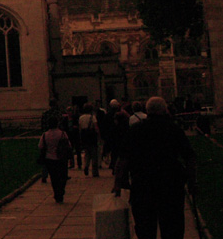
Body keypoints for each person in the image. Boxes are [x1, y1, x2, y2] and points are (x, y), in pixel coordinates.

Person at [113, 97, 197, 239]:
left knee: (145, 229)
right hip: (170, 186)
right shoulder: (173, 129)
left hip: (143, 186)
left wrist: (118, 183)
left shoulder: (136, 130)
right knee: (172, 229)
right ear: (164, 110)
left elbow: (123, 159)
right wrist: (192, 182)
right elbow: (189, 157)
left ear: (147, 110)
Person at [39, 114, 71, 203]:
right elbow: (68, 145)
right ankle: (61, 190)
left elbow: (41, 146)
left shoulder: (45, 135)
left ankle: (57, 193)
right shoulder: (62, 134)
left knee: (54, 178)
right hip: (61, 158)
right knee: (63, 176)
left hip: (50, 158)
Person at [77, 103, 100, 177]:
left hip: (84, 137)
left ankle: (86, 166)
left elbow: (80, 129)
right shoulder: (92, 117)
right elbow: (96, 127)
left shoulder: (81, 118)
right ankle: (95, 172)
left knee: (87, 154)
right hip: (92, 137)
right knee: (94, 155)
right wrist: (98, 135)